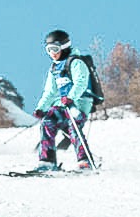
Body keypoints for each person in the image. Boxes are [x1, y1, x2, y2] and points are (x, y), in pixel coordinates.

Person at [34, 30, 100, 170]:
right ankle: (47, 162)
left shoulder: (76, 62)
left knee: (73, 125)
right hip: (63, 105)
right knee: (47, 121)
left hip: (80, 103)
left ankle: (85, 162)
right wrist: (41, 108)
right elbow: (50, 92)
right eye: (48, 50)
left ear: (64, 47)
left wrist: (71, 97)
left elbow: (81, 82)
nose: (52, 53)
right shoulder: (54, 67)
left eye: (55, 49)